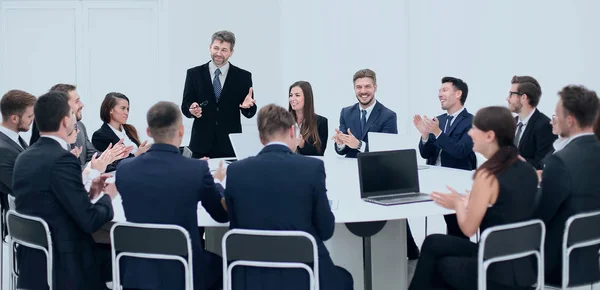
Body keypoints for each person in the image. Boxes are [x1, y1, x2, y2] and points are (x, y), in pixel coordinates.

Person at [224, 104, 353, 290]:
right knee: (344, 279)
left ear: (261, 138)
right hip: (304, 274)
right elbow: (326, 230)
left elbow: (235, 226)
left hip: (250, 277)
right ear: (293, 131)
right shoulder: (311, 169)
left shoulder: (236, 171)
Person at [409, 106, 539, 290]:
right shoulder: (525, 168)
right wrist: (473, 198)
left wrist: (458, 204)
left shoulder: (486, 175)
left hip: (495, 269)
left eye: (475, 129)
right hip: (524, 265)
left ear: (489, 136)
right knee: (433, 242)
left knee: (439, 264)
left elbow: (468, 229)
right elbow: (508, 204)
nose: (470, 132)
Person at [116, 101, 229, 290]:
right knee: (222, 265)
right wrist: (217, 182)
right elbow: (220, 214)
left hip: (137, 270)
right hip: (185, 269)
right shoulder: (196, 170)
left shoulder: (125, 169)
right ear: (181, 130)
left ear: (149, 132)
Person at [12, 91, 117, 290]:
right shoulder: (63, 159)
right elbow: (90, 220)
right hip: (64, 264)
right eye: (71, 113)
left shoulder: (24, 157)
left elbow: (51, 202)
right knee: (131, 255)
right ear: (64, 121)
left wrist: (92, 193)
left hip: (32, 260)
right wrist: (108, 196)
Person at [534, 85, 600, 286]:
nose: (553, 120)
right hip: (590, 254)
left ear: (569, 120)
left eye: (557, 115)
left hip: (555, 261)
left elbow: (540, 215)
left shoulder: (560, 161)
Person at [414, 76, 476, 239]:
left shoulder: (471, 121)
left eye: (444, 90)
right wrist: (425, 136)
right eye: (439, 91)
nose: (440, 94)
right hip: (435, 180)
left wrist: (437, 133)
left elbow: (460, 151)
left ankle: (461, 256)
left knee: (457, 227)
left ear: (458, 94)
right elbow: (425, 153)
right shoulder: (438, 120)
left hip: (458, 182)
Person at [181, 30, 256, 158]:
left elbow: (249, 112)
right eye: (216, 48)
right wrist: (191, 109)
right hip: (200, 144)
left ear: (231, 52)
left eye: (224, 50)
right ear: (210, 48)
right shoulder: (194, 74)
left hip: (229, 146)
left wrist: (248, 107)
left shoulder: (243, 76)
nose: (219, 53)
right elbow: (185, 105)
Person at [30, 83, 131, 169]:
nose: (82, 105)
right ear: (63, 105)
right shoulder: (48, 135)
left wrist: (111, 156)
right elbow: (62, 170)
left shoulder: (80, 127)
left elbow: (92, 155)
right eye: (77, 101)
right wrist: (92, 166)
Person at [333, 69, 397, 158]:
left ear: (375, 88)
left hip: (377, 168)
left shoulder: (388, 116)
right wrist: (341, 144)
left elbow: (387, 151)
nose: (363, 91)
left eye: (367, 86)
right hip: (349, 168)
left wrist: (359, 145)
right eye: (359, 87)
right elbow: (342, 151)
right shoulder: (346, 113)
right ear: (354, 88)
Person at [0, 89, 35, 239]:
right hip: (19, 220)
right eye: (29, 116)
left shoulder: (16, 139)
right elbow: (19, 187)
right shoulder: (2, 148)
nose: (32, 120)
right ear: (14, 118)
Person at [506, 76, 556, 169]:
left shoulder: (545, 125)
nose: (507, 99)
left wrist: (515, 161)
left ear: (523, 97)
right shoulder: (511, 123)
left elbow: (543, 163)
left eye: (511, 94)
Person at [92, 92, 151, 160]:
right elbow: (109, 165)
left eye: (127, 109)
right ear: (110, 110)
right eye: (123, 108)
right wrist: (137, 154)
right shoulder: (99, 136)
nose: (126, 112)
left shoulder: (130, 129)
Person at [288, 81, 328, 155]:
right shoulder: (284, 121)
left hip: (307, 164)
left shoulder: (321, 122)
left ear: (307, 98)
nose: (292, 99)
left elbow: (319, 152)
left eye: (297, 95)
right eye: (291, 95)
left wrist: (303, 145)